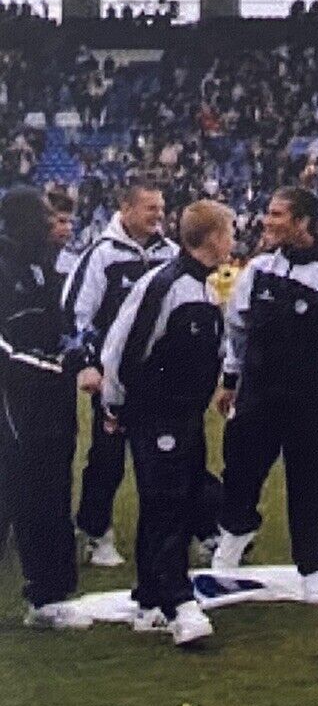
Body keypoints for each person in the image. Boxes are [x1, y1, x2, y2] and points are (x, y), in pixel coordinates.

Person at [212, 187, 318, 604]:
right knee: (241, 474)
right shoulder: (259, 269)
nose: (267, 220)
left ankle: (314, 569)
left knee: (310, 486)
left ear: (303, 222)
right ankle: (230, 546)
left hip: (310, 401)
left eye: (277, 214)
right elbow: (237, 329)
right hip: (257, 396)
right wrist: (230, 381)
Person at [99, 200, 235, 647]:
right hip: (155, 413)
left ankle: (151, 599)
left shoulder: (203, 288)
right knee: (168, 503)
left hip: (186, 416)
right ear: (213, 238)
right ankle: (181, 605)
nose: (233, 239)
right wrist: (115, 405)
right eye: (229, 231)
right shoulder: (166, 285)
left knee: (174, 498)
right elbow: (122, 346)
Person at [62, 179, 178, 568]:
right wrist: (86, 364)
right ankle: (96, 532)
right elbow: (75, 314)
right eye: (151, 209)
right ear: (126, 209)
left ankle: (188, 529)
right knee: (108, 456)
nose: (159, 216)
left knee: (174, 454)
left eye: (162, 209)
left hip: (164, 379)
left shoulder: (173, 255)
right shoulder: (100, 256)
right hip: (114, 379)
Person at [0, 187, 92, 630]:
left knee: (53, 489)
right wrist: (43, 364)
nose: (49, 223)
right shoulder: (4, 269)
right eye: (41, 216)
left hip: (52, 397)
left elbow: (63, 327)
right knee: (19, 490)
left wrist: (75, 355)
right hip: (14, 399)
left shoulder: (47, 267)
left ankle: (50, 595)